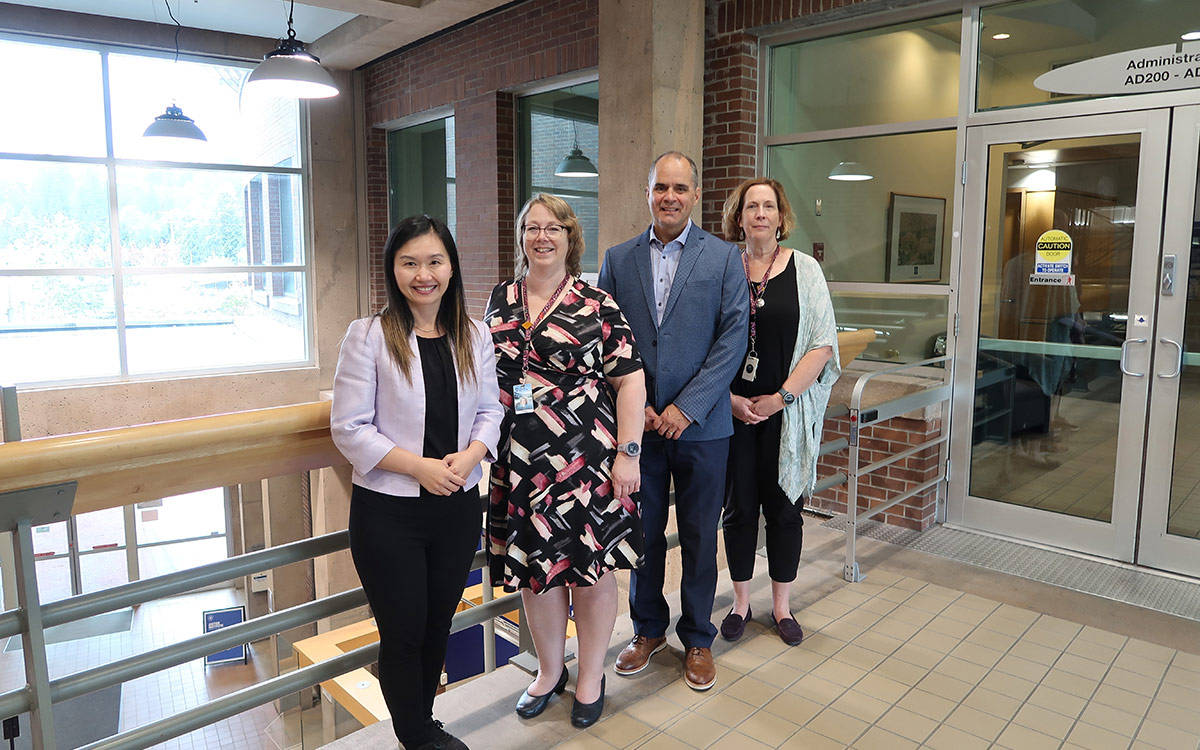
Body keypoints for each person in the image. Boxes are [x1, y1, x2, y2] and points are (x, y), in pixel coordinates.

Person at [330, 215, 503, 750]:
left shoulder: (474, 335)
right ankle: (418, 737)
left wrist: (471, 456)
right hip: (390, 512)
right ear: (393, 269)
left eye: (434, 261)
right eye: (410, 263)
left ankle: (421, 722)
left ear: (451, 267)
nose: (423, 274)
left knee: (436, 626)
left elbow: (492, 410)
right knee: (403, 630)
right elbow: (349, 428)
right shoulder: (369, 336)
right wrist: (419, 467)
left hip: (455, 506)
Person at [486, 193, 646, 728]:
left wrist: (629, 455)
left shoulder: (596, 303)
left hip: (588, 460)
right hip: (522, 461)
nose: (542, 237)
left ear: (570, 237)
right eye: (533, 227)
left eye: (554, 228)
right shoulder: (500, 298)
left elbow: (630, 381)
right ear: (522, 236)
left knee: (591, 572)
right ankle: (550, 671)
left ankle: (591, 675)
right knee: (538, 572)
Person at [597, 151, 749, 691]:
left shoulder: (725, 258)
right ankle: (648, 629)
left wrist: (687, 407)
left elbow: (734, 339)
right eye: (660, 186)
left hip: (703, 428)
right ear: (647, 193)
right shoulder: (618, 260)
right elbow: (607, 343)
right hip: (640, 431)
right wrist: (640, 413)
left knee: (701, 535)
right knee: (643, 536)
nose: (670, 196)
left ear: (694, 195)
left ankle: (699, 638)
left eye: (680, 188)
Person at [716, 177, 839, 647]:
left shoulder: (805, 270)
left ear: (781, 216)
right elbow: (707, 341)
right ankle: (742, 602)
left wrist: (781, 398)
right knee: (739, 508)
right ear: (740, 216)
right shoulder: (726, 268)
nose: (760, 214)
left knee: (786, 511)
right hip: (731, 412)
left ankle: (782, 606)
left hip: (786, 413)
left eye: (769, 206)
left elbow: (821, 344)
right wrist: (729, 400)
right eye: (752, 206)